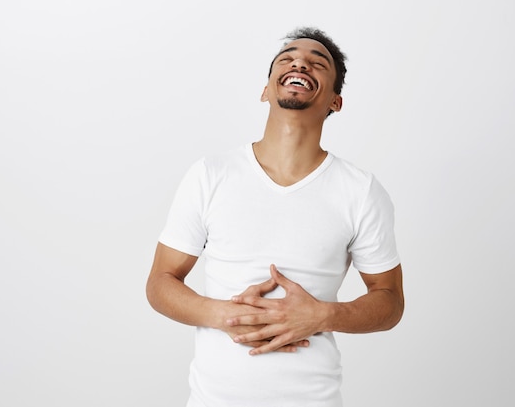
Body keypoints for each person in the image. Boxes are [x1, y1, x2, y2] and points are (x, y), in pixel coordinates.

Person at [146, 26, 404, 407]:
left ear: (335, 101)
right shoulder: (211, 174)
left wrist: (320, 316)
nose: (300, 62)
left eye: (318, 63)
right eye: (287, 58)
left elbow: (390, 302)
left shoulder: (361, 191)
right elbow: (160, 283)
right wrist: (225, 314)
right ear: (266, 89)